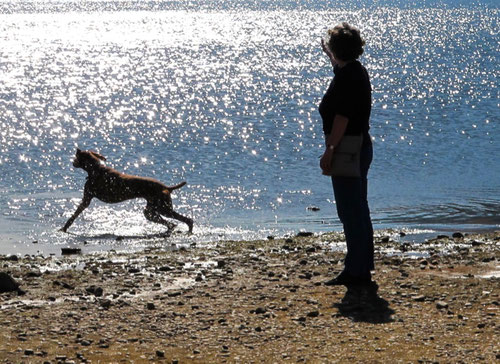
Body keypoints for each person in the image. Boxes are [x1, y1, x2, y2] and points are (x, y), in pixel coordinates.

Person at [318, 23, 374, 286]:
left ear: (339, 49)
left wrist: (330, 149)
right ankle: (361, 267)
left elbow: (342, 116)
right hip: (359, 145)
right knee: (358, 208)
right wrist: (332, 57)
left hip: (348, 147)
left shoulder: (347, 77)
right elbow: (342, 69)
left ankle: (355, 271)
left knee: (350, 210)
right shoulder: (354, 70)